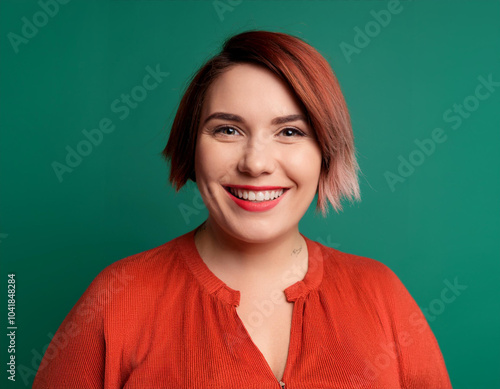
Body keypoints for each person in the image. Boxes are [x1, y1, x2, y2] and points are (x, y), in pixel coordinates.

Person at [33, 30, 452, 389]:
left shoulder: (382, 295)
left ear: (325, 151)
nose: (255, 162)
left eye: (290, 131)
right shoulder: (117, 298)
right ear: (191, 147)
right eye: (228, 130)